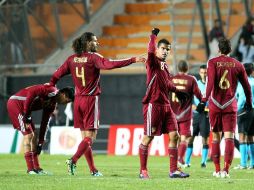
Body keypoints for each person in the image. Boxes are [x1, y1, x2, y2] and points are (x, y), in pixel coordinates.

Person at [49, 32, 146, 176]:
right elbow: (111, 64)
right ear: (87, 42)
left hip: (77, 102)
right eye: (94, 41)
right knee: (91, 138)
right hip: (90, 100)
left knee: (85, 139)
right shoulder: (93, 58)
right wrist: (133, 59)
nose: (97, 43)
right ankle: (73, 160)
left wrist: (51, 90)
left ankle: (93, 170)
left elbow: (56, 76)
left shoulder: (71, 59)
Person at [197, 38, 252, 178]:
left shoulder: (212, 62)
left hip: (215, 104)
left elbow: (209, 84)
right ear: (230, 50)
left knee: (215, 136)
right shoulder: (238, 65)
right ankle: (226, 170)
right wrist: (249, 102)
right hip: (230, 105)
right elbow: (246, 86)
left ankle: (216, 169)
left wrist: (204, 100)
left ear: (218, 49)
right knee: (229, 137)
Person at [138, 28, 189, 179]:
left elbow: (167, 83)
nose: (165, 51)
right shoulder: (152, 61)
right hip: (153, 105)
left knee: (175, 135)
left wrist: (178, 91)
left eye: (168, 49)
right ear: (157, 49)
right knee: (149, 137)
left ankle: (173, 170)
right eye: (163, 48)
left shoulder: (165, 66)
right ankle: (143, 171)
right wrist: (153, 36)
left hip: (166, 106)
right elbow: (149, 49)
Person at [7, 84, 74, 174]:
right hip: (16, 103)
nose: (65, 103)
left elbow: (44, 123)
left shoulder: (52, 105)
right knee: (29, 135)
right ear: (64, 94)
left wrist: (41, 143)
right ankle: (30, 169)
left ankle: (37, 168)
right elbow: (31, 93)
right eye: (67, 101)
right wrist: (27, 114)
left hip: (25, 109)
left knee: (35, 136)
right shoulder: (52, 90)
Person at [169, 60, 202, 167]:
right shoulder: (191, 79)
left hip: (172, 113)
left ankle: (173, 161)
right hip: (185, 114)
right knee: (185, 138)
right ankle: (180, 158)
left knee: (173, 138)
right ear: (187, 68)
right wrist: (203, 101)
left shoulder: (172, 79)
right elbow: (198, 95)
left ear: (178, 68)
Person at [185, 65, 210, 168]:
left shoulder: (210, 85)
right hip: (196, 114)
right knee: (191, 138)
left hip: (205, 114)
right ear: (199, 73)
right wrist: (192, 105)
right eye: (202, 72)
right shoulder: (196, 84)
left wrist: (210, 109)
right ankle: (187, 161)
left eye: (205, 72)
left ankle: (203, 162)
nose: (204, 74)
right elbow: (189, 97)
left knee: (205, 139)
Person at [234, 63, 254, 170]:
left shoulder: (243, 83)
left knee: (242, 137)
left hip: (244, 110)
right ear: (251, 71)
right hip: (253, 111)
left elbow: (241, 98)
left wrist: (236, 110)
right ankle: (253, 163)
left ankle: (243, 163)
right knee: (251, 136)